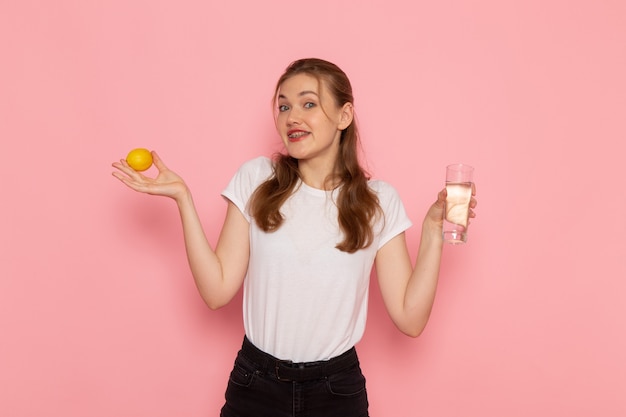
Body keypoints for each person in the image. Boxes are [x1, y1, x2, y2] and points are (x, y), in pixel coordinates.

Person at [112, 58, 477, 417]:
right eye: (283, 106)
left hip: (337, 392)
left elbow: (410, 320)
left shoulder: (378, 201)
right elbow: (216, 290)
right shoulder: (256, 179)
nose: (292, 117)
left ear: (344, 116)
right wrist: (183, 198)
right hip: (255, 385)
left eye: (308, 103)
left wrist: (432, 233)